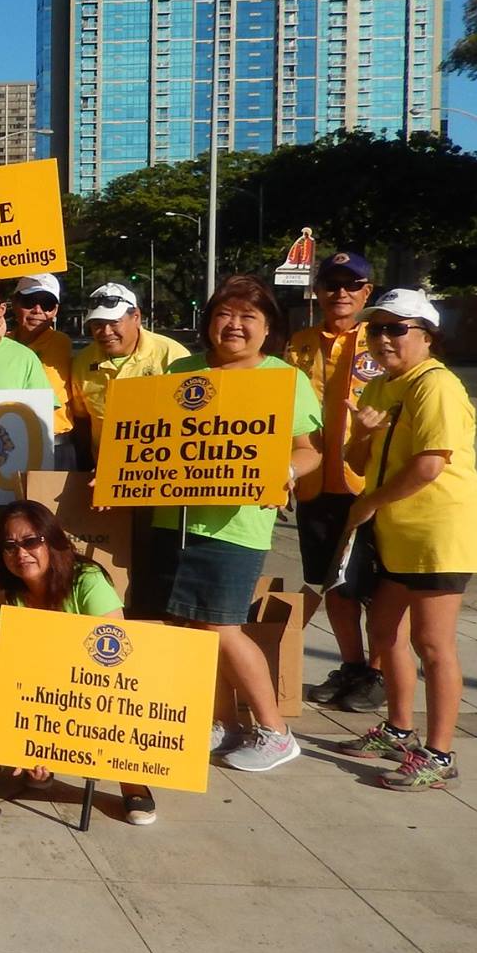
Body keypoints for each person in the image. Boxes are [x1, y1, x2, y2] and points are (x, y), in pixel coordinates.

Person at [145, 275, 321, 773]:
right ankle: (220, 722)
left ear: (269, 329)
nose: (235, 326)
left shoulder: (285, 380)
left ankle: (275, 730)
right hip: (174, 520)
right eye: (225, 314)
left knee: (222, 626)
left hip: (235, 527)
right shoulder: (183, 370)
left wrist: (283, 471)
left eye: (249, 317)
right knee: (191, 628)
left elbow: (309, 451)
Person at [338, 290, 477, 791]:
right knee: (383, 633)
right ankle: (399, 728)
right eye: (376, 328)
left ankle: (440, 752)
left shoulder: (435, 386)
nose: (383, 338)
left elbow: (429, 465)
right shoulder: (380, 386)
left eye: (397, 329)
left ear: (427, 335)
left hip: (439, 529)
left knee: (432, 643)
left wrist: (370, 502)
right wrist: (361, 434)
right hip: (397, 533)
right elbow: (358, 463)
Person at [0, 500, 150, 824]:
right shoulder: (0, 595)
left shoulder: (86, 580)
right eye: (9, 545)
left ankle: (132, 779)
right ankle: (42, 759)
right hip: (41, 682)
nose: (21, 553)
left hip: (99, 680)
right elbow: (13, 664)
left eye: (31, 541)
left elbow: (119, 652)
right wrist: (28, 737)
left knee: (115, 694)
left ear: (52, 540)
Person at [284, 251, 383, 711]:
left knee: (375, 588)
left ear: (367, 291)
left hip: (365, 485)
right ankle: (353, 666)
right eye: (331, 284)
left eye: (352, 285)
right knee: (333, 584)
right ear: (318, 290)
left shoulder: (383, 341)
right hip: (314, 485)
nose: (340, 294)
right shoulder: (299, 344)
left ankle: (379, 672)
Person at [69, 283, 189, 467]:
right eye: (98, 325)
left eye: (114, 322)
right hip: (105, 474)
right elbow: (83, 421)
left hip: (163, 471)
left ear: (136, 317)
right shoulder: (82, 363)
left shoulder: (172, 356)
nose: (106, 332)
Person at [10, 274, 77, 469]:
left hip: (57, 447)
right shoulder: (0, 343)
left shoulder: (62, 343)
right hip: (8, 445)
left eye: (47, 304)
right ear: (14, 303)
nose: (37, 310)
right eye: (29, 302)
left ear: (55, 310)